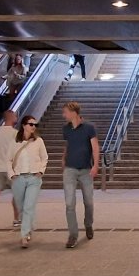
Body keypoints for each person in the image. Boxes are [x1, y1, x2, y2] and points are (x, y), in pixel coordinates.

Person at [61, 101, 99, 249]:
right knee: (69, 203)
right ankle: (73, 235)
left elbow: (95, 147)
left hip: (85, 170)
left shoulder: (89, 128)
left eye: (65, 112)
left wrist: (95, 165)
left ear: (73, 112)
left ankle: (88, 224)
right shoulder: (66, 129)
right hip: (69, 169)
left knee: (88, 202)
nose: (63, 115)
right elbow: (68, 145)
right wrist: (64, 158)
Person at [8, 115, 48, 248]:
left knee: (28, 206)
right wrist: (11, 174)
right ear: (24, 125)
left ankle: (24, 235)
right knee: (21, 207)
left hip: (33, 178)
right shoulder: (15, 141)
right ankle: (29, 226)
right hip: (18, 178)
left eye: (35, 124)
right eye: (31, 124)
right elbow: (8, 159)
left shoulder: (38, 141)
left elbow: (44, 157)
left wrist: (41, 171)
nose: (33, 127)